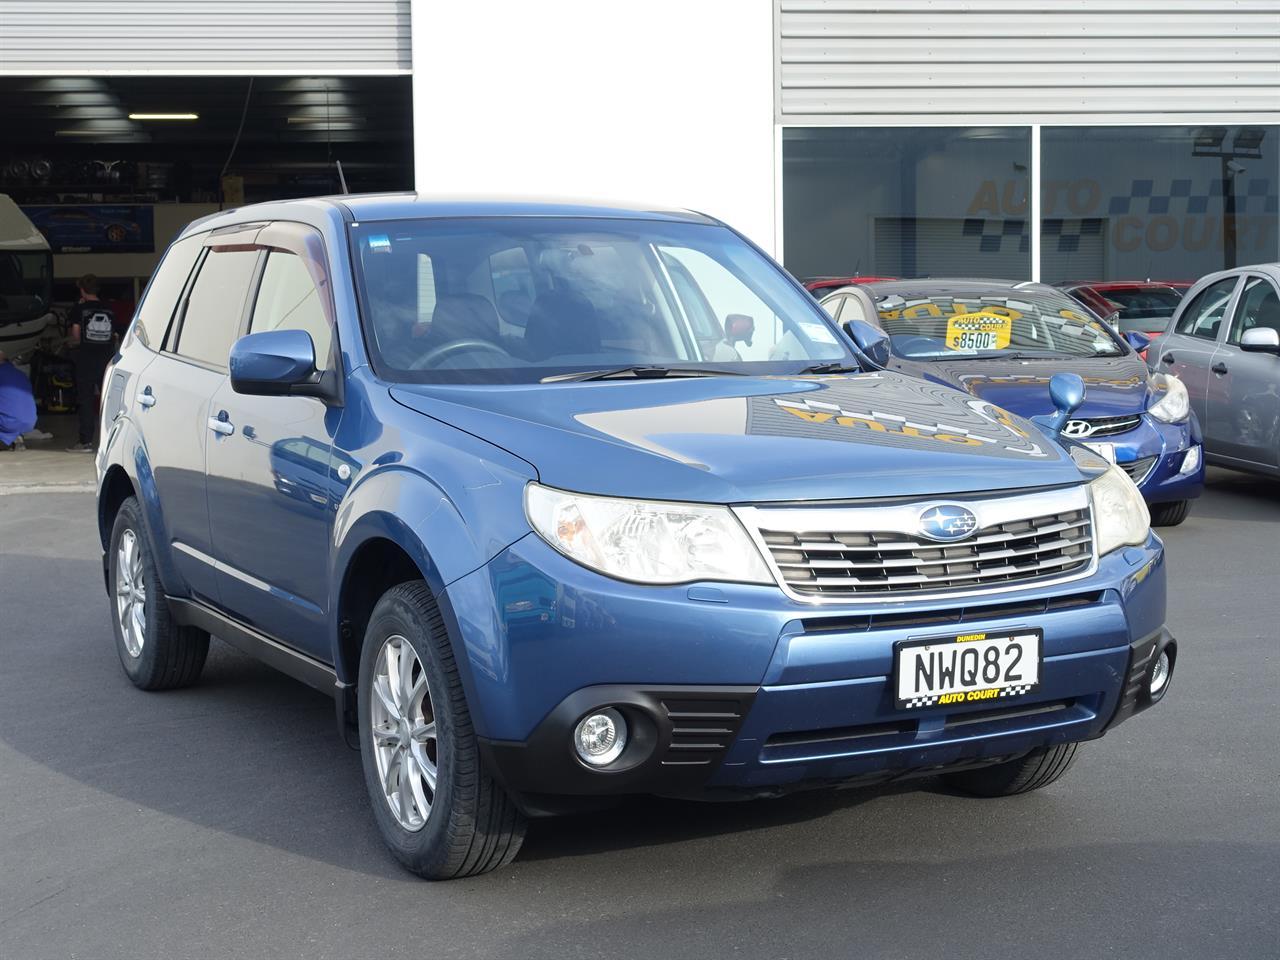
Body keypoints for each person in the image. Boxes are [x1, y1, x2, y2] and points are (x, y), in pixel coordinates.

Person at [65, 274, 117, 452]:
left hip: (86, 360)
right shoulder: (109, 309)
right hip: (107, 360)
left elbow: (76, 335)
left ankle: (86, 442)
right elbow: (116, 335)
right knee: (108, 400)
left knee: (86, 401)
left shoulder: (79, 309)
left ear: (82, 290)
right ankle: (112, 439)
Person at [0, 350, 38, 452]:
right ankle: (15, 438)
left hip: (8, 423)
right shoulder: (21, 374)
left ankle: (7, 440)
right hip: (28, 423)